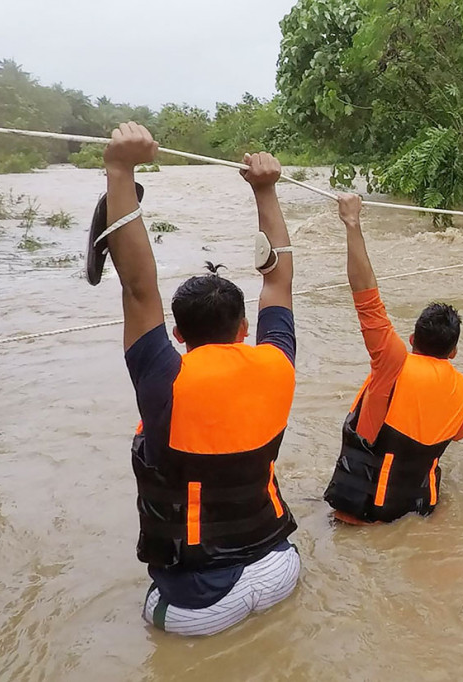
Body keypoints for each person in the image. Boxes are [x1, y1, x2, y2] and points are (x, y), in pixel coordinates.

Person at [90, 122, 301, 636]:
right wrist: (266, 190)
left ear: (178, 333)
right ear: (245, 328)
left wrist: (120, 171)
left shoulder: (167, 379)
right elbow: (278, 277)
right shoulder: (278, 364)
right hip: (279, 569)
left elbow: (140, 290)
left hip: (199, 600)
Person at [323, 193, 463, 525]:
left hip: (354, 518)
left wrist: (352, 223)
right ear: (453, 353)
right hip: (414, 516)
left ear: (412, 340)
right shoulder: (460, 394)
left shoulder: (392, 362)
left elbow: (365, 295)